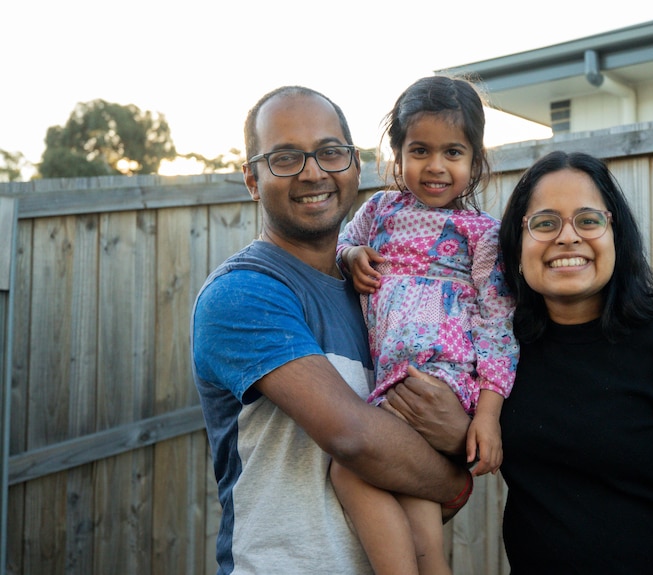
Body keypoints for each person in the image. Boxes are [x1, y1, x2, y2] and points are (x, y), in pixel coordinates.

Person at [190, 85, 473, 575]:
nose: (313, 172)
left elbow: (423, 439)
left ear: (355, 165)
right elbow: (354, 438)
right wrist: (456, 480)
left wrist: (459, 431)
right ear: (252, 180)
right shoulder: (244, 294)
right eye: (284, 157)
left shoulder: (380, 295)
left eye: (330, 152)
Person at [494, 150, 653, 574]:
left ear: (617, 235)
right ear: (517, 248)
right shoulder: (500, 359)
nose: (567, 237)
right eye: (544, 223)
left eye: (589, 220)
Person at [331, 75, 519, 575]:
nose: (436, 166)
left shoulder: (482, 234)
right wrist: (350, 255)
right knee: (415, 507)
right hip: (395, 381)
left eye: (453, 152)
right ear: (398, 154)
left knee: (350, 473)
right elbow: (337, 245)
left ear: (475, 161)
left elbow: (499, 328)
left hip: (443, 383)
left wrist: (488, 416)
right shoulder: (379, 210)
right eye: (420, 150)